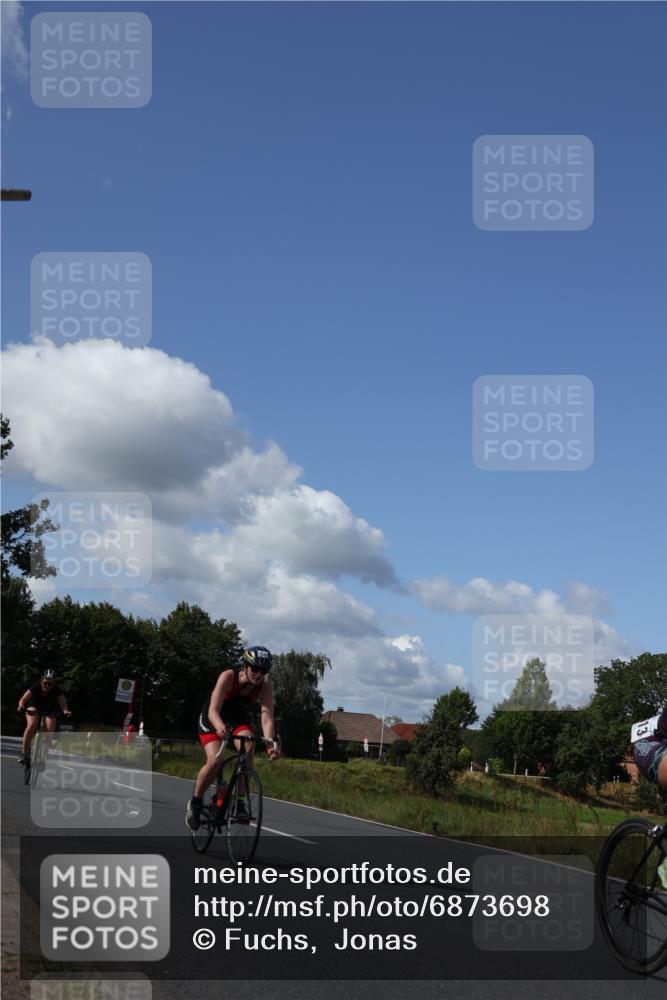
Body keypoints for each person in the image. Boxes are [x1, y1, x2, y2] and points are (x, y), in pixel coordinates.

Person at [186, 646, 280, 830]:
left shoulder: (265, 688)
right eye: (255, 669)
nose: (259, 675)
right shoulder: (228, 676)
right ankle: (195, 803)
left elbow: (267, 717)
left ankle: (240, 801)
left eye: (264, 671)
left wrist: (270, 743)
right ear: (245, 666)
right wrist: (220, 726)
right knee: (215, 760)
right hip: (213, 716)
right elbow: (213, 709)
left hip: (236, 718)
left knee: (249, 744)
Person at [17, 669, 71, 765]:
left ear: (53, 684)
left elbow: (63, 704)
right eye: (45, 683)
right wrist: (21, 706)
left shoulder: (57, 689)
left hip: (50, 709)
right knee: (32, 724)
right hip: (34, 706)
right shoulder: (36, 686)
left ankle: (42, 758)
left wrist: (66, 711)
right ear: (42, 681)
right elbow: (23, 699)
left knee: (49, 732)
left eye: (50, 684)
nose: (47, 685)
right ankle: (24, 753)